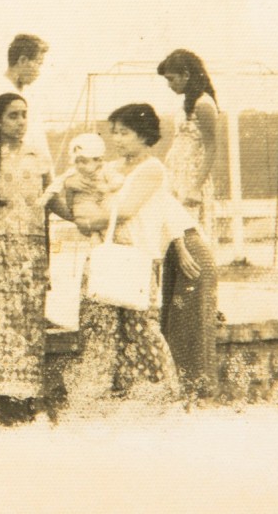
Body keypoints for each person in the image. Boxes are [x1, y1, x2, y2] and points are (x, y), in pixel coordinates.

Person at [65, 103, 189, 406]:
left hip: (136, 256)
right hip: (106, 254)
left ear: (144, 135)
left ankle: (155, 391)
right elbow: (79, 202)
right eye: (114, 133)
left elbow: (125, 210)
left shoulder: (152, 169)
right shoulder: (110, 168)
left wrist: (93, 217)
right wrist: (77, 197)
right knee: (99, 326)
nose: (117, 139)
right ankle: (101, 392)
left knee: (140, 327)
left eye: (125, 133)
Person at [0, 93, 66, 425]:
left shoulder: (39, 157)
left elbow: (54, 203)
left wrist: (92, 214)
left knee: (28, 322)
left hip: (30, 250)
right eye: (13, 115)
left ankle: (28, 397)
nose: (21, 121)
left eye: (24, 114)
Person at [158, 49, 221, 398]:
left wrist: (195, 185)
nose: (170, 85)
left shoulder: (205, 105)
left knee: (195, 244)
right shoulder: (187, 104)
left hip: (191, 182)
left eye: (172, 78)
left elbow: (211, 148)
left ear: (186, 74)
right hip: (177, 179)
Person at [0, 34, 54, 171]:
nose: (38, 72)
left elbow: (38, 137)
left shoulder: (28, 94)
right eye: (38, 64)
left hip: (34, 167)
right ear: (22, 60)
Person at [39, 133, 121, 241]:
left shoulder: (105, 170)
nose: (80, 165)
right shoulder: (74, 172)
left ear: (98, 160)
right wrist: (45, 197)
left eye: (84, 161)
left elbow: (118, 180)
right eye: (77, 161)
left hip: (99, 210)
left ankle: (105, 243)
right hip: (82, 208)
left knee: (105, 233)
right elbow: (57, 183)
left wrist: (108, 187)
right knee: (95, 234)